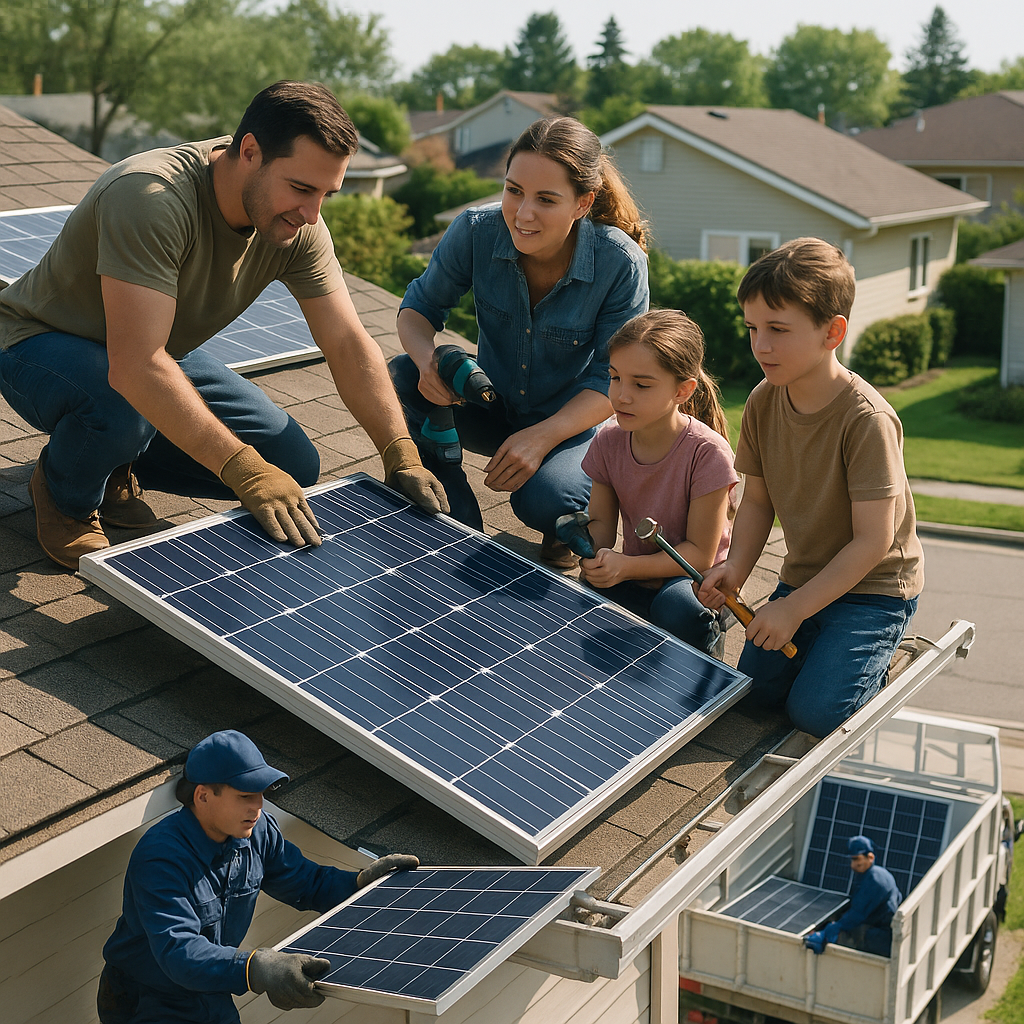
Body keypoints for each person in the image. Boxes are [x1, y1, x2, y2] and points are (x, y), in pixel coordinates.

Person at [0, 80, 446, 571]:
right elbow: (136, 366)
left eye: (326, 194)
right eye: (300, 188)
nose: (312, 213)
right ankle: (66, 493)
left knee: (293, 465)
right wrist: (245, 473)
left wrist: (399, 451)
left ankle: (113, 460)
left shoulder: (300, 225)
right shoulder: (151, 196)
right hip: (40, 341)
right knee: (125, 406)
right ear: (250, 151)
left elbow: (346, 340)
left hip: (149, 347)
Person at [391, 115, 649, 567]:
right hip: (494, 403)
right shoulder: (474, 230)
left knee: (545, 502)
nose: (523, 213)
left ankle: (567, 516)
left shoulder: (619, 263)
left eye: (546, 199)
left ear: (583, 203)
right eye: (514, 191)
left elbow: (612, 382)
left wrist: (541, 437)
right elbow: (417, 310)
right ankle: (441, 490)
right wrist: (429, 362)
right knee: (401, 375)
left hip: (573, 426)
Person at [697, 238, 924, 738]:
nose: (761, 345)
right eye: (753, 328)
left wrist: (793, 610)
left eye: (778, 330)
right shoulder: (762, 402)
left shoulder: (866, 420)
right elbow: (757, 502)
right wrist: (735, 569)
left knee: (815, 714)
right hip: (804, 578)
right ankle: (826, 655)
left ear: (832, 332)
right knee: (751, 695)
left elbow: (873, 541)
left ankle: (870, 664)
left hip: (873, 589)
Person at [97, 729, 419, 1023]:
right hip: (145, 998)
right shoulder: (161, 856)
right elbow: (179, 952)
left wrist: (360, 883)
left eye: (260, 794)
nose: (258, 807)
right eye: (245, 796)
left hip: (210, 986)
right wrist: (256, 967)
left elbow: (307, 882)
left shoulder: (257, 832)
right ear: (204, 797)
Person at [578, 310, 738, 655]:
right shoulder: (608, 441)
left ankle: (709, 632)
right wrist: (594, 559)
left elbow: (698, 554)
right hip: (636, 573)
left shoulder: (708, 453)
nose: (621, 395)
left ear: (683, 390)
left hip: (692, 582)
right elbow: (601, 526)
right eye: (615, 377)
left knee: (675, 609)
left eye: (641, 384)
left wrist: (626, 567)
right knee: (589, 590)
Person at [805, 835, 902, 956]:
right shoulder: (873, 875)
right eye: (852, 860)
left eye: (857, 859)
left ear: (870, 857)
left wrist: (830, 931)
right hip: (877, 928)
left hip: (881, 937)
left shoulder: (875, 880)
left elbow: (858, 914)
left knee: (839, 938)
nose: (853, 865)